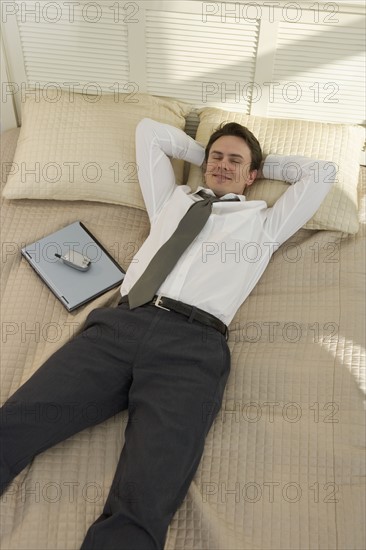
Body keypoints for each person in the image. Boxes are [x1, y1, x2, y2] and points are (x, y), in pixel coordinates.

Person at [0, 118, 335, 549]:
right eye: (216, 156)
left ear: (254, 175)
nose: (222, 164)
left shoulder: (265, 225)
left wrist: (258, 166)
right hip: (122, 325)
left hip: (192, 351)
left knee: (147, 491)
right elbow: (148, 133)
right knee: (17, 422)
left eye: (235, 161)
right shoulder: (171, 201)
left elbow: (321, 172)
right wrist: (208, 159)